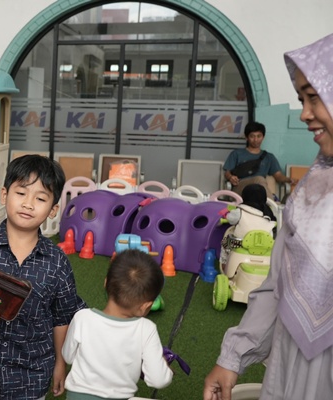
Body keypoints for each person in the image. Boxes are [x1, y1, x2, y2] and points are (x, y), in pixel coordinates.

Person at [203, 33, 333, 400]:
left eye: (314, 96)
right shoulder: (311, 192)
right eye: (300, 100)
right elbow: (278, 285)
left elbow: (276, 176)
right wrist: (233, 357)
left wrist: (282, 180)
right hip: (290, 365)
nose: (305, 113)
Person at [0, 154, 87, 400]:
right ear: (4, 195)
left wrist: (61, 363)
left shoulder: (57, 262)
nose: (28, 204)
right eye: (21, 193)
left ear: (53, 210)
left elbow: (62, 318)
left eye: (40, 198)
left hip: (32, 377)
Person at [62, 250, 172, 399]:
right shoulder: (146, 329)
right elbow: (159, 380)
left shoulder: (82, 317)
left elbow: (68, 357)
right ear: (145, 306)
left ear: (106, 282)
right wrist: (163, 363)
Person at [223, 121, 294, 198]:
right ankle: (272, 206)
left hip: (259, 190)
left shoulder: (269, 157)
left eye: (258, 136)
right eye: (252, 136)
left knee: (259, 185)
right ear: (246, 137)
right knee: (259, 179)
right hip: (240, 188)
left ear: (263, 137)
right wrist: (231, 177)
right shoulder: (236, 154)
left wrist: (288, 179)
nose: (256, 139)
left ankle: (268, 205)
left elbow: (278, 176)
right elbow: (227, 173)